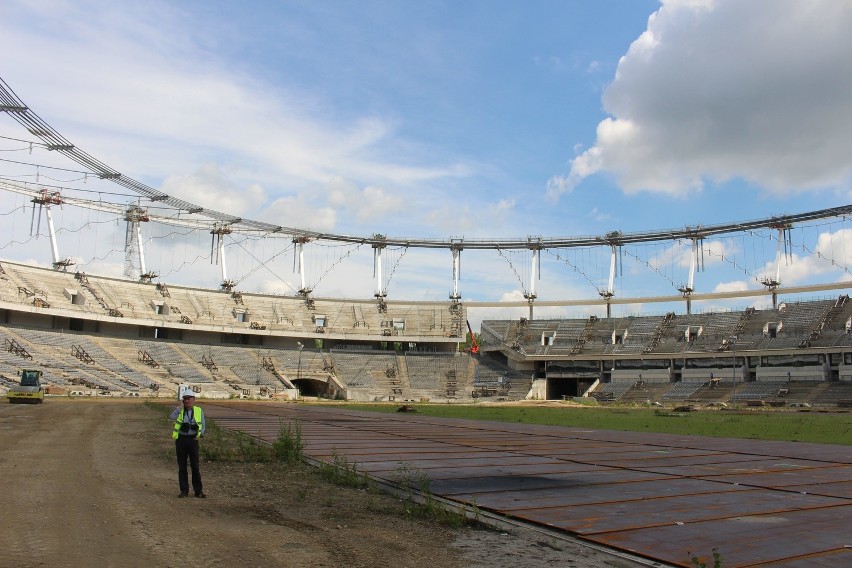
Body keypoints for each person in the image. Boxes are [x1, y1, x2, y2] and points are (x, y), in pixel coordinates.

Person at [170, 391, 206, 498]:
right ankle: (184, 490)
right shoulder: (180, 411)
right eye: (184, 399)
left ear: (193, 399)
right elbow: (172, 417)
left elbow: (203, 424)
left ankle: (198, 491)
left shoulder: (198, 410)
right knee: (182, 466)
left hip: (193, 439)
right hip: (181, 439)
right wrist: (179, 408)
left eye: (188, 398)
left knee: (195, 466)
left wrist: (200, 435)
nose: (186, 401)